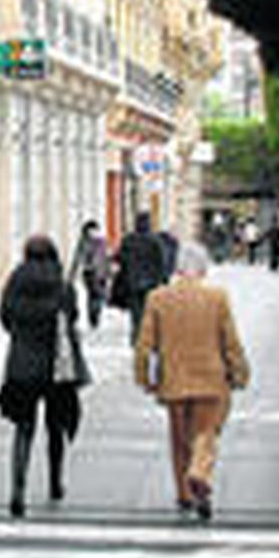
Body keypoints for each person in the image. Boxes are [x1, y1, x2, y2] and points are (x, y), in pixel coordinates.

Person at [133, 241, 249, 521]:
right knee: (206, 435)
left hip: (174, 381)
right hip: (211, 380)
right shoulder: (217, 297)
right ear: (202, 268)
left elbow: (144, 344)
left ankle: (185, 493)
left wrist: (144, 378)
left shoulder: (158, 298)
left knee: (179, 439)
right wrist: (239, 371)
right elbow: (229, 340)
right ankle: (199, 473)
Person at [0, 234, 89, 519]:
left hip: (22, 365)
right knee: (55, 428)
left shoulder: (15, 281)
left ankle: (17, 491)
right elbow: (72, 318)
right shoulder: (62, 284)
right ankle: (55, 483)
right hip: (55, 368)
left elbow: (5, 317)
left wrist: (23, 335)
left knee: (23, 430)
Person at [115, 212, 167, 343]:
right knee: (149, 311)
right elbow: (161, 261)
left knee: (136, 312)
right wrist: (163, 279)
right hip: (151, 283)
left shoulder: (128, 240)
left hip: (132, 282)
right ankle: (148, 337)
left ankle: (136, 334)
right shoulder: (155, 241)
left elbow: (120, 259)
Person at [68, 219, 110, 330]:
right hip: (97, 272)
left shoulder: (86, 241)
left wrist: (72, 274)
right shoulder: (102, 241)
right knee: (96, 294)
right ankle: (95, 315)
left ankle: (94, 315)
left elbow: (78, 258)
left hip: (92, 272)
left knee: (94, 295)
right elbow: (105, 257)